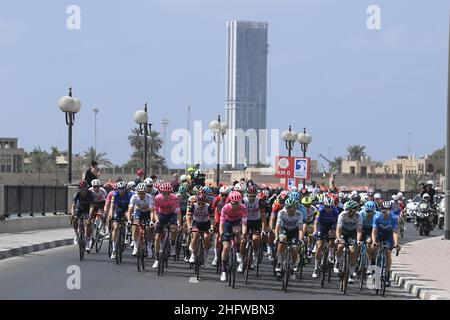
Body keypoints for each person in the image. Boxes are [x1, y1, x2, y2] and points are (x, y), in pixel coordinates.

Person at [219, 191, 248, 282]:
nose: (237, 205)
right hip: (227, 223)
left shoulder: (243, 208)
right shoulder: (225, 208)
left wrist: (243, 234)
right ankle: (223, 270)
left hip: (237, 222)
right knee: (226, 247)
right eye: (235, 203)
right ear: (230, 202)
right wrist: (221, 234)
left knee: (237, 231)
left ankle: (238, 252)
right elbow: (221, 224)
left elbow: (244, 224)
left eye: (238, 202)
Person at [152, 183, 182, 269]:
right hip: (161, 215)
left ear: (170, 193)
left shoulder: (174, 198)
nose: (166, 195)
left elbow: (178, 212)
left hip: (171, 215)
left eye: (167, 193)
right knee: (157, 237)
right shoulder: (157, 198)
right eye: (164, 193)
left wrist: (179, 223)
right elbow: (155, 212)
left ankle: (172, 245)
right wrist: (157, 221)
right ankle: (157, 259)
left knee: (174, 229)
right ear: (161, 192)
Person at [372, 201, 401, 287]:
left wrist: (396, 244)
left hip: (388, 236)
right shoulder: (377, 217)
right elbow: (374, 231)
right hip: (379, 235)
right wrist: (374, 241)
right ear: (381, 210)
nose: (386, 212)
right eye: (384, 210)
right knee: (374, 248)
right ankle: (373, 264)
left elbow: (395, 232)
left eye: (388, 210)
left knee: (388, 253)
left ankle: (387, 276)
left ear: (390, 210)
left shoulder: (394, 217)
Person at [335, 200, 363, 284]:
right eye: (347, 209)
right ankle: (338, 262)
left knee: (353, 250)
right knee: (340, 245)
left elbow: (359, 230)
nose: (348, 211)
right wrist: (339, 238)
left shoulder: (359, 217)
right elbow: (338, 229)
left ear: (354, 211)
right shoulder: (342, 215)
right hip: (343, 232)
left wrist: (358, 241)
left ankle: (351, 274)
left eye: (350, 210)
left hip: (352, 234)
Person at [274, 198, 304, 273]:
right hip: (284, 229)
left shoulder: (299, 214)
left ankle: (293, 263)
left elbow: (300, 229)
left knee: (295, 248)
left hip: (294, 231)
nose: (290, 209)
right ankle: (279, 263)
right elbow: (277, 226)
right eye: (288, 207)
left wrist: (300, 239)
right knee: (282, 239)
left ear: (295, 207)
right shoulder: (281, 212)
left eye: (291, 207)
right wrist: (276, 237)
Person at [312, 197, 340, 278]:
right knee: (320, 246)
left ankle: (331, 255)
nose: (329, 209)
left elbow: (338, 224)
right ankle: (316, 268)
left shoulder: (336, 211)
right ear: (324, 206)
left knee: (332, 237)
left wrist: (336, 234)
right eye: (327, 207)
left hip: (331, 226)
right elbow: (316, 222)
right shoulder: (320, 210)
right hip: (322, 227)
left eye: (330, 207)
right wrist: (316, 232)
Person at [71, 180, 95, 249]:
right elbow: (73, 205)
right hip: (80, 208)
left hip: (88, 209)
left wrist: (90, 215)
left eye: (85, 189)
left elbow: (92, 206)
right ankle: (76, 234)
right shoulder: (77, 194)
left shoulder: (91, 194)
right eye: (82, 189)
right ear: (79, 189)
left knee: (88, 223)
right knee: (75, 219)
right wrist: (73, 214)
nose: (83, 191)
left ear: (87, 188)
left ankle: (87, 240)